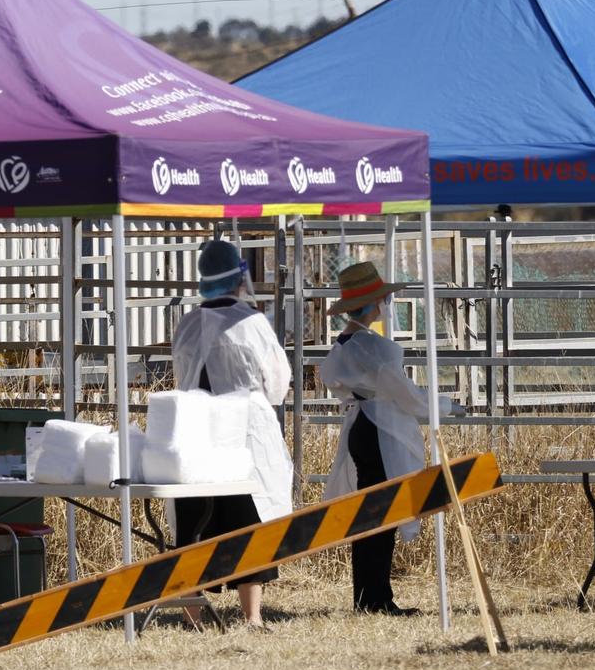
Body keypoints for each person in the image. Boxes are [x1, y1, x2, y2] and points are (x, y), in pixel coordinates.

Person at [171, 240, 293, 631]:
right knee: (247, 520)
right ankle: (251, 615)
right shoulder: (251, 323)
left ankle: (193, 616)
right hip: (243, 434)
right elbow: (277, 381)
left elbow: (179, 375)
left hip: (195, 434)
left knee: (194, 525)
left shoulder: (187, 323)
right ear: (239, 279)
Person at [319, 261, 453, 616]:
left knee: (370, 516)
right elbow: (402, 393)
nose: (383, 305)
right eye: (379, 300)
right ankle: (375, 598)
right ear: (372, 304)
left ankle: (370, 595)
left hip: (363, 426)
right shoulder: (371, 347)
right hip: (380, 429)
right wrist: (442, 406)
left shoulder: (344, 344)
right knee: (382, 514)